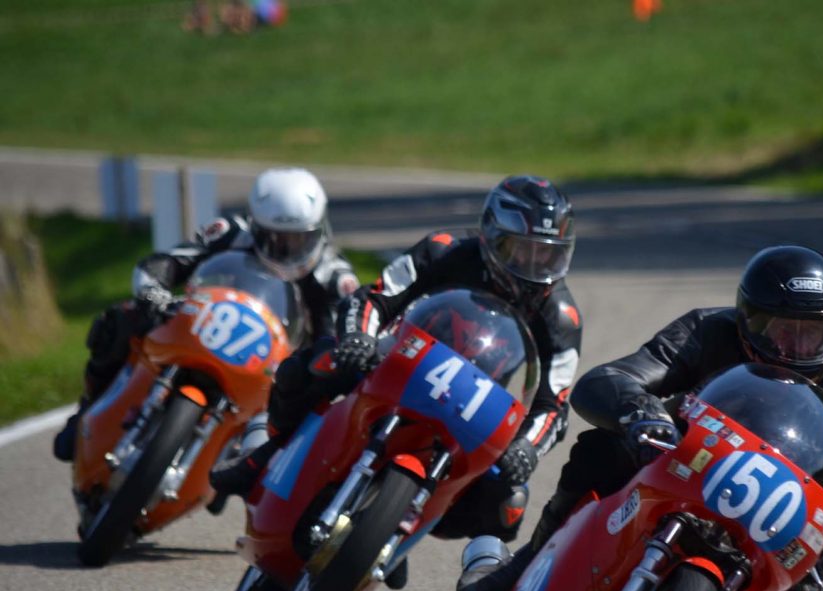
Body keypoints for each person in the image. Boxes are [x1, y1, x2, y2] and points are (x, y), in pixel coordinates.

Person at [458, 244, 823, 591]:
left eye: (814, 332)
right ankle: (525, 565)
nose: (797, 346)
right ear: (750, 320)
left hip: (765, 526)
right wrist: (641, 414)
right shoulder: (707, 330)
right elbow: (612, 378)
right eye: (782, 329)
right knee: (599, 450)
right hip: (676, 471)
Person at [209, 175, 583, 552]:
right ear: (491, 236)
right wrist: (360, 338)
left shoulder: (562, 318)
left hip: (476, 406)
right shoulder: (444, 249)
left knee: (510, 501)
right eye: (520, 250)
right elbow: (374, 298)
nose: (533, 265)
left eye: (547, 254)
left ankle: (468, 565)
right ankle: (267, 454)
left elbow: (554, 405)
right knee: (313, 363)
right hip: (402, 359)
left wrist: (526, 449)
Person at [52, 167, 359, 463]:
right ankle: (86, 409)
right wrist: (155, 294)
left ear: (320, 229)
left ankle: (245, 470)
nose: (288, 250)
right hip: (202, 327)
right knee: (120, 319)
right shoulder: (227, 234)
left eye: (299, 239)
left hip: (273, 371)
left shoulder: (335, 278)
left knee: (311, 410)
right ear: (255, 225)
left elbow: (330, 343)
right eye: (275, 239)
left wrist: (308, 371)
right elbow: (165, 264)